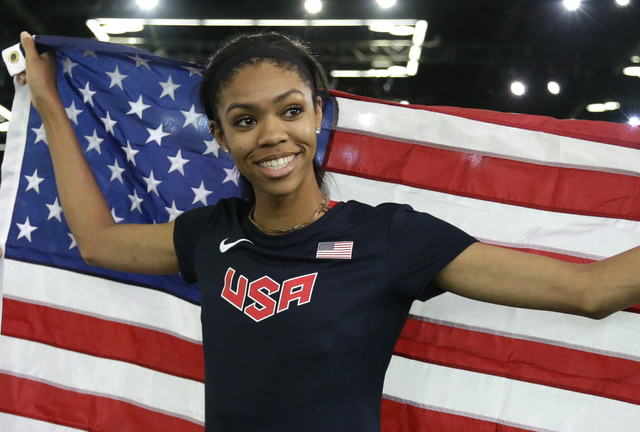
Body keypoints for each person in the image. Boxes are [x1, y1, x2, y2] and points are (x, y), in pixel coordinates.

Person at [18, 30, 640, 432]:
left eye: (290, 110)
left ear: (319, 111)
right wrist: (50, 104)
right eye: (244, 119)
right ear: (219, 136)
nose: (271, 135)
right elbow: (97, 239)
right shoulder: (211, 234)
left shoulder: (391, 238)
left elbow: (588, 292)